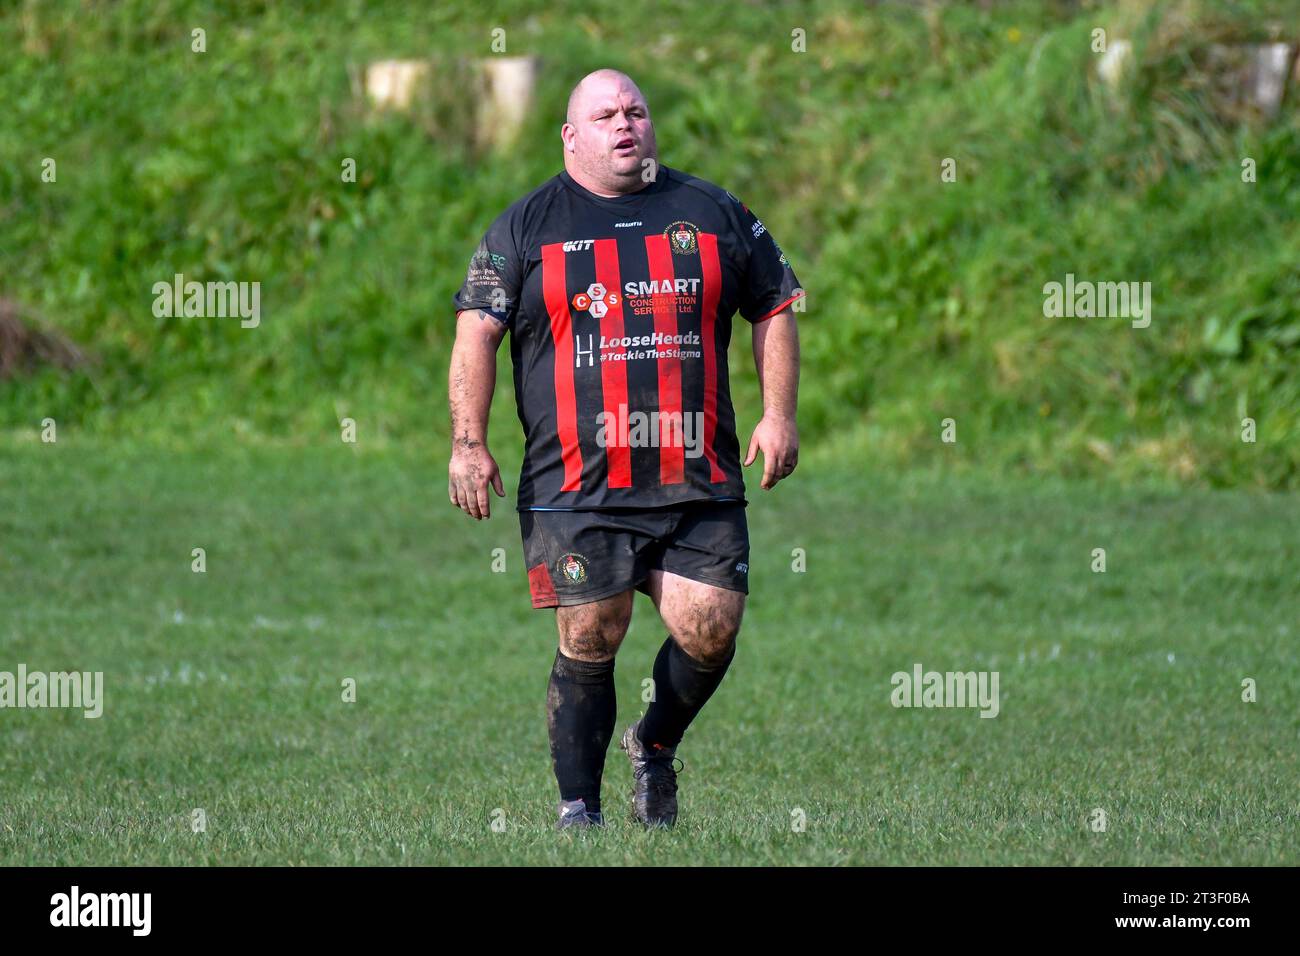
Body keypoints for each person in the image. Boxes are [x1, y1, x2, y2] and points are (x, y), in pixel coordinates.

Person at [448, 69, 803, 828]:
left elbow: (774, 302)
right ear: (571, 137)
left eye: (636, 111)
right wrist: (468, 443)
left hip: (694, 474)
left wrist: (779, 416)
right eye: (605, 114)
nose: (625, 124)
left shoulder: (711, 212)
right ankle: (580, 814)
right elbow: (476, 330)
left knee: (711, 628)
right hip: (577, 484)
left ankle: (654, 745)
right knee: (591, 630)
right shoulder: (525, 226)